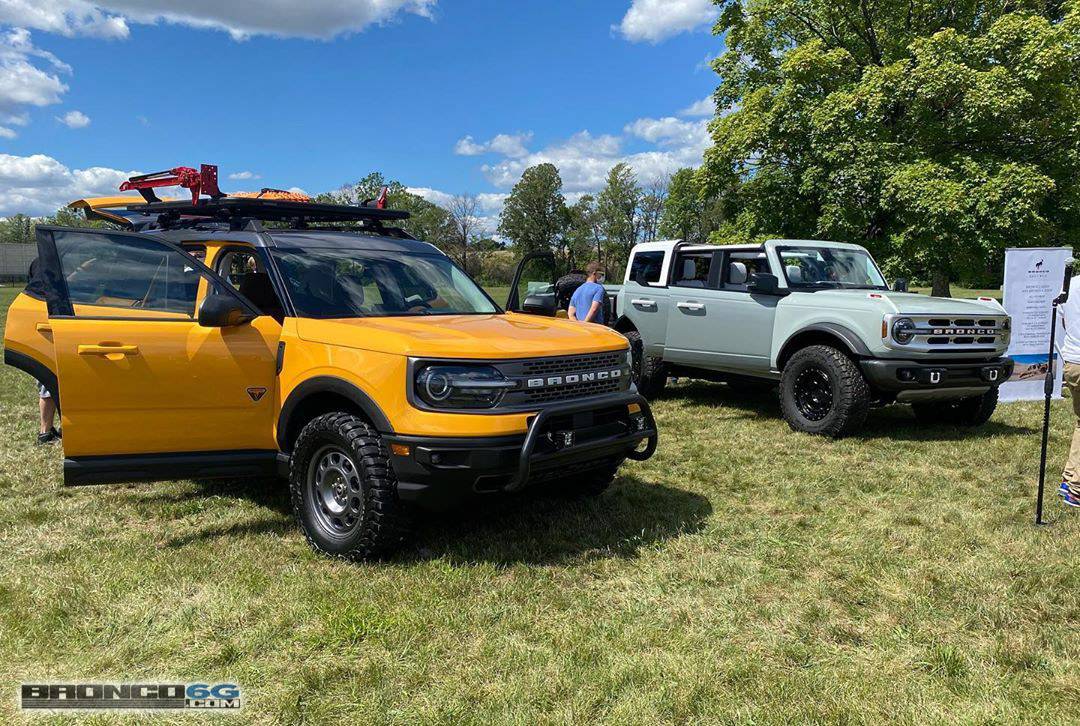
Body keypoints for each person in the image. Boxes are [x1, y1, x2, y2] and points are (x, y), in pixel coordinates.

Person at [1058, 271, 1080, 508]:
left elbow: (1065, 322)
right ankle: (1077, 490)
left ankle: (1069, 478)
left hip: (1072, 362)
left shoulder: (1070, 285)